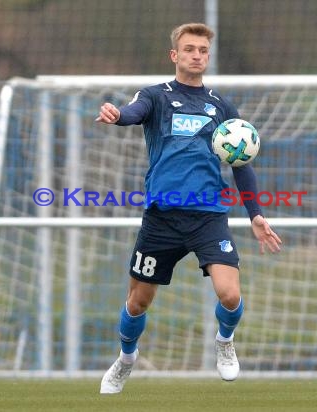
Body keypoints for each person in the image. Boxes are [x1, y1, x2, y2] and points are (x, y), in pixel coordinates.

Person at [95, 22, 282, 394]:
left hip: (209, 215)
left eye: (203, 50)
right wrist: (119, 116)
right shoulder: (156, 97)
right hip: (162, 217)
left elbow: (241, 164)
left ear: (207, 57)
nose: (197, 55)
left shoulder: (222, 107)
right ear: (175, 55)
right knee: (137, 302)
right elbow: (134, 112)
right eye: (190, 49)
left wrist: (256, 215)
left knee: (229, 294)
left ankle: (224, 342)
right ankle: (126, 358)